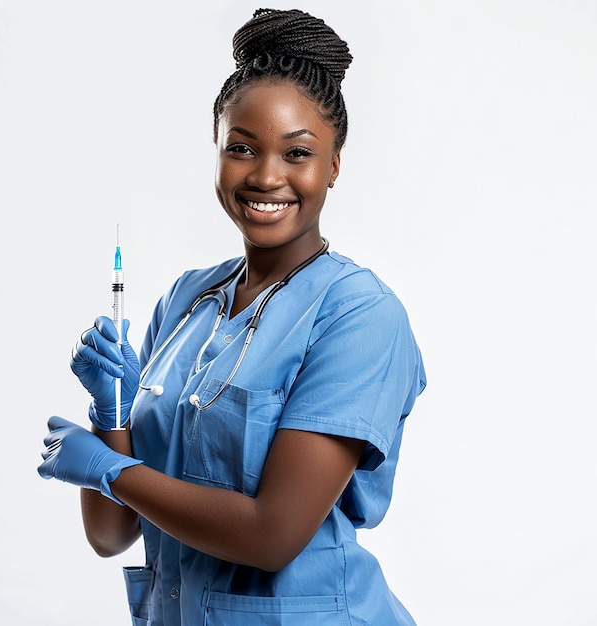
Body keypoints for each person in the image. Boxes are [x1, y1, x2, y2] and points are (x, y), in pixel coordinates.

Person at [38, 8, 427, 625]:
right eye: (241, 148)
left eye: (297, 153)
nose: (266, 175)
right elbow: (111, 535)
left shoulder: (359, 315)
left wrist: (108, 467)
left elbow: (272, 535)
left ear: (333, 166)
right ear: (217, 153)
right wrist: (111, 417)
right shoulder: (185, 302)